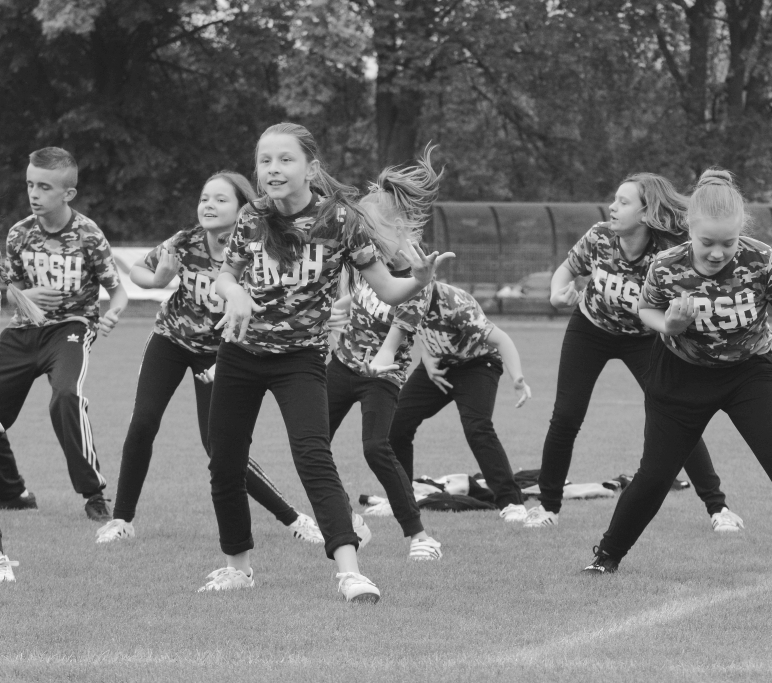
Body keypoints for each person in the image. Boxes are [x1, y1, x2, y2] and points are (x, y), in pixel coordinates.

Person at [201, 122, 450, 602]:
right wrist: (235, 295)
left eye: (285, 159)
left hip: (300, 360)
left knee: (313, 457)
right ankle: (237, 568)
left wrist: (419, 280)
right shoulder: (252, 216)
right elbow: (226, 276)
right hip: (241, 353)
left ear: (311, 168)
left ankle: (350, 573)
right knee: (225, 462)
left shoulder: (340, 220)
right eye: (265, 160)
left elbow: (388, 290)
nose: (273, 169)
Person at [583, 168, 772, 583]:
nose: (717, 253)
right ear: (690, 229)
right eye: (707, 242)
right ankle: (606, 556)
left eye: (728, 243)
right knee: (655, 474)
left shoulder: (762, 260)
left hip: (748, 373)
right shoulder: (666, 266)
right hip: (679, 374)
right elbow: (646, 309)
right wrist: (670, 325)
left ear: (741, 231)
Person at [94, 171, 332, 546]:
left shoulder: (256, 248)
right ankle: (121, 520)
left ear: (243, 209)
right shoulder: (186, 240)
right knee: (143, 423)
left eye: (220, 200)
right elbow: (139, 269)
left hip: (224, 352)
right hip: (171, 341)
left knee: (220, 447)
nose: (208, 205)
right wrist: (157, 280)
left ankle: (293, 518)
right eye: (204, 198)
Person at [527, 173, 741, 531]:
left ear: (646, 213)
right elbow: (567, 269)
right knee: (565, 416)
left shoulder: (667, 254)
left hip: (645, 339)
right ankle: (548, 508)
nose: (612, 207)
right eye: (615, 199)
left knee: (675, 417)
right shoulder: (599, 236)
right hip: (590, 329)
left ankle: (719, 509)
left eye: (623, 202)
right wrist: (556, 293)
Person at [323, 150, 443, 560]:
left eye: (371, 231)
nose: (364, 239)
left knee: (376, 447)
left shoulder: (418, 276)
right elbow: (355, 290)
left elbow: (398, 331)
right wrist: (335, 312)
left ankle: (420, 536)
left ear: (399, 228)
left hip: (382, 375)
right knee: (312, 443)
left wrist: (382, 356)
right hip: (343, 366)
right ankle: (346, 519)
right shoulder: (366, 261)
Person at [0, 147, 128, 521]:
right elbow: (9, 290)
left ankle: (94, 495)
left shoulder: (89, 235)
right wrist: (24, 296)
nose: (34, 194)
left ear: (68, 193)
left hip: (71, 330)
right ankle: (13, 493)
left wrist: (114, 313)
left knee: (65, 397)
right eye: (30, 184)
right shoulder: (19, 234)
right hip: (24, 331)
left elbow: (117, 291)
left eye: (44, 187)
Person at [387, 280, 532, 522]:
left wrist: (518, 379)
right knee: (397, 424)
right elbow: (417, 328)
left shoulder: (455, 304)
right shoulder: (403, 296)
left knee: (477, 428)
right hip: (440, 365)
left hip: (478, 364)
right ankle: (402, 500)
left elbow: (502, 340)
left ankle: (511, 502)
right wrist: (427, 357)